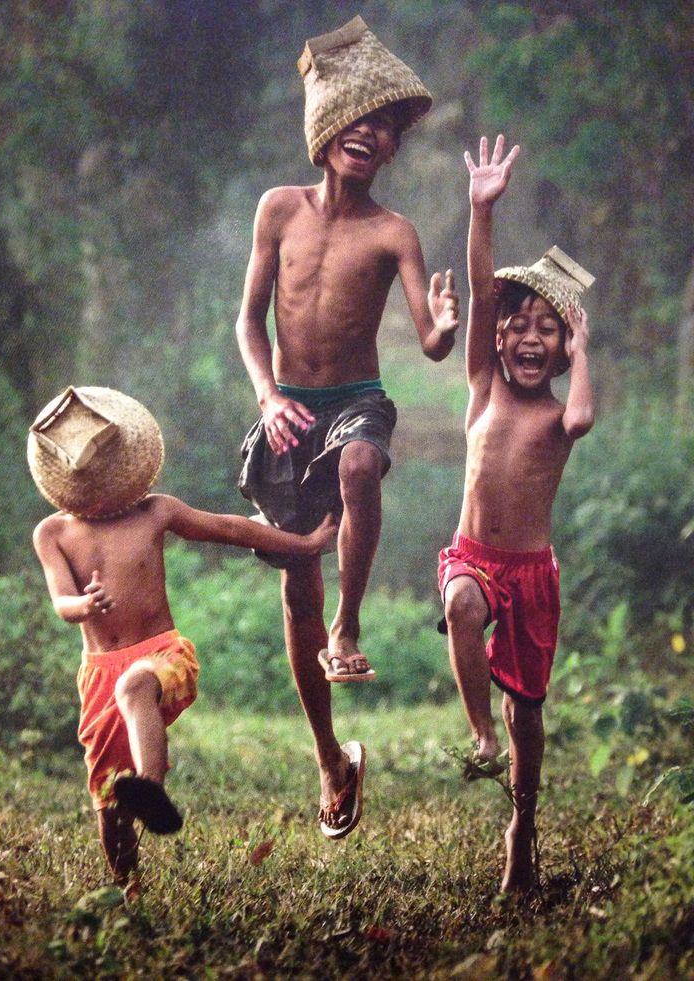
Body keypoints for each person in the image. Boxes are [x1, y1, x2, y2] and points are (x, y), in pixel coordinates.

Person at [236, 15, 459, 839]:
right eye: (358, 122)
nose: (370, 137)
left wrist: (440, 323)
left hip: (358, 397)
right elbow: (248, 322)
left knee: (363, 467)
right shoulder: (278, 210)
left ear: (393, 150)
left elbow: (432, 346)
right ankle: (331, 757)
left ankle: (351, 624)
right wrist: (266, 395)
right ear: (326, 132)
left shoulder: (394, 231)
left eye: (385, 129)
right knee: (297, 584)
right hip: (289, 406)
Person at [28, 385, 337, 891]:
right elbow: (61, 601)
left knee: (134, 687)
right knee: (107, 803)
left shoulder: (156, 511)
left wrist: (304, 543)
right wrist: (83, 605)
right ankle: (130, 888)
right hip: (98, 672)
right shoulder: (53, 534)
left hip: (161, 657)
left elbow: (232, 528)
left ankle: (151, 788)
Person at [438, 135, 595, 892]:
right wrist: (481, 208)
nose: (530, 338)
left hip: (532, 574)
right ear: (498, 336)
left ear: (563, 347)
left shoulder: (560, 413)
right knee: (461, 603)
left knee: (527, 712)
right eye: (519, 324)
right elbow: (478, 282)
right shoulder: (481, 386)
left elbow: (587, 417)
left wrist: (589, 351)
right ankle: (476, 734)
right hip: (473, 555)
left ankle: (522, 827)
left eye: (548, 329)